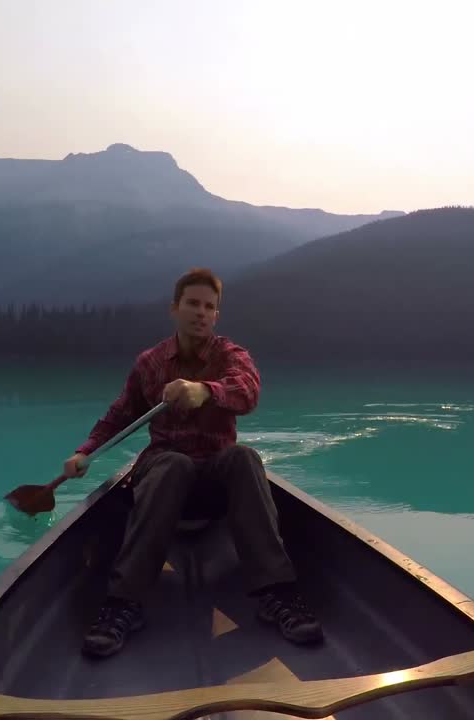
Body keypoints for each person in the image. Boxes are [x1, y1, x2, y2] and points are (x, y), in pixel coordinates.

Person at [65, 267, 323, 658]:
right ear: (175, 308)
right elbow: (119, 416)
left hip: (214, 481)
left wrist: (205, 390)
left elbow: (248, 391)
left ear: (216, 315)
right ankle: (123, 602)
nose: (200, 312)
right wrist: (85, 451)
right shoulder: (150, 363)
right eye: (192, 304)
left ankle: (277, 592)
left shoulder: (231, 355)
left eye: (208, 307)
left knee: (243, 457)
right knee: (173, 465)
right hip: (164, 473)